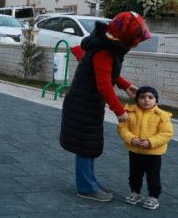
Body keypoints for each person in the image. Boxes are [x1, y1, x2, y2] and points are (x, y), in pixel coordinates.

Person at [60, 11, 151, 202]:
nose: (135, 43)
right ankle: (85, 187)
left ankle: (90, 181)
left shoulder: (108, 45)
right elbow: (103, 84)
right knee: (85, 146)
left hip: (87, 102)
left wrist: (126, 86)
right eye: (135, 39)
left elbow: (108, 74)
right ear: (125, 36)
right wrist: (119, 111)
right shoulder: (103, 51)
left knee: (90, 145)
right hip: (83, 104)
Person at [117, 86, 173, 210]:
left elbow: (166, 133)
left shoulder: (162, 116)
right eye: (142, 97)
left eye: (150, 97)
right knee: (134, 174)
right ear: (137, 99)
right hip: (135, 151)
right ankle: (135, 192)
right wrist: (132, 139)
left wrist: (150, 142)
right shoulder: (129, 112)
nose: (146, 100)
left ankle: (153, 196)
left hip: (153, 153)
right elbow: (122, 128)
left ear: (156, 100)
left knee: (153, 176)